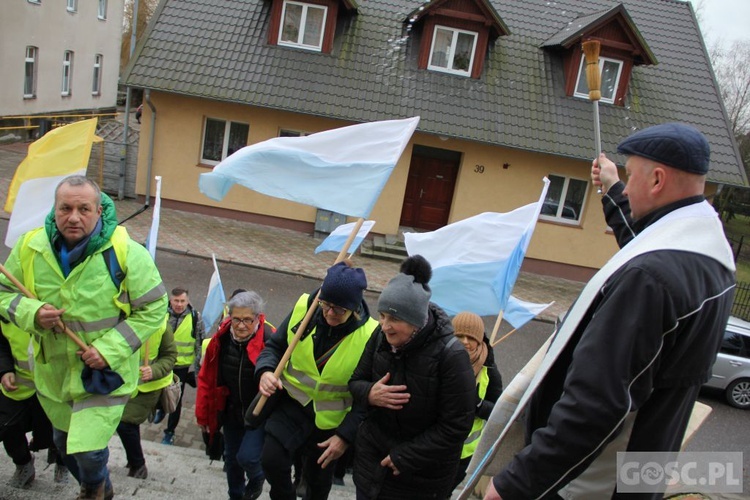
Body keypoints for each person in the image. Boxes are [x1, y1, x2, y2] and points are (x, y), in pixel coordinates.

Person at [486, 123, 737, 499]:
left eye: (631, 174)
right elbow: (647, 240)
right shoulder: (708, 255)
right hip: (641, 468)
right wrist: (613, 190)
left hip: (590, 479)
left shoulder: (648, 280)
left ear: (657, 179)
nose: (627, 183)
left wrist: (515, 485)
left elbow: (596, 407)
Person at [0, 175, 168, 499]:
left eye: (83, 208)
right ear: (55, 208)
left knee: (88, 448)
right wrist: (33, 313)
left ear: (99, 211)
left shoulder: (126, 252)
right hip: (54, 374)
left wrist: (109, 349)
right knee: (63, 444)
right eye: (65, 208)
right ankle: (100, 486)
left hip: (104, 374)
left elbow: (154, 307)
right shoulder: (30, 247)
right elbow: (5, 295)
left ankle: (93, 489)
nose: (73, 217)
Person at [348, 255, 476, 500]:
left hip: (421, 479)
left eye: (394, 319)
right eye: (382, 315)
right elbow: (355, 382)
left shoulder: (451, 356)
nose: (385, 326)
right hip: (371, 464)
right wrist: (370, 394)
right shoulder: (380, 336)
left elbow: (456, 426)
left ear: (417, 322)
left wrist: (405, 456)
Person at [256, 260, 378, 500]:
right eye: (326, 304)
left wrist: (344, 437)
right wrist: (266, 371)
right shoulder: (305, 308)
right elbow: (274, 347)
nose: (330, 313)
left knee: (318, 486)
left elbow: (367, 397)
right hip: (293, 405)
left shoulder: (371, 334)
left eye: (339, 309)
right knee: (271, 459)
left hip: (331, 423)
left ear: (354, 309)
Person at [197, 291, 275, 500]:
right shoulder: (221, 339)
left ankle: (258, 477)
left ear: (258, 318)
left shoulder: (271, 339)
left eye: (247, 320)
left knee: (247, 458)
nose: (241, 326)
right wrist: (204, 416)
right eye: (236, 319)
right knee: (231, 459)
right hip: (231, 412)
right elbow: (207, 378)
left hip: (259, 414)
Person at [0, 322, 69, 487]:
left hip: (55, 386)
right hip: (18, 385)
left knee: (62, 429)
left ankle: (63, 464)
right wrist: (4, 370)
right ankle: (23, 464)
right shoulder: (5, 305)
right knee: (8, 427)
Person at [449, 311, 503, 492]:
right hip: (435, 445)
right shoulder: (440, 359)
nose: (465, 341)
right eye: (459, 336)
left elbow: (498, 411)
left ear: (479, 341)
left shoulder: (490, 372)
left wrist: (477, 404)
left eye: (471, 337)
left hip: (463, 455)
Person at [115, 322, 176, 479]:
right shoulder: (123, 317)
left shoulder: (161, 325)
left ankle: (138, 465)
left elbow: (170, 356)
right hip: (124, 383)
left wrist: (153, 370)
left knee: (126, 423)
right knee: (128, 423)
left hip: (148, 387)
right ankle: (133, 460)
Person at [159, 287, 205, 445]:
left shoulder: (194, 317)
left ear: (187, 301)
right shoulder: (161, 313)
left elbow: (200, 341)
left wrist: (199, 367)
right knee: (158, 392)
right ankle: (160, 408)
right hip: (162, 364)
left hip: (181, 367)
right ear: (170, 300)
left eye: (182, 301)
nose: (179, 304)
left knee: (174, 400)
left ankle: (169, 432)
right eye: (176, 301)